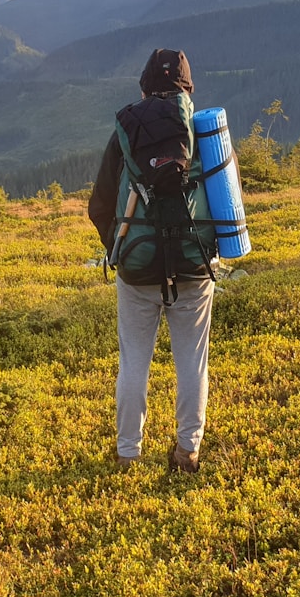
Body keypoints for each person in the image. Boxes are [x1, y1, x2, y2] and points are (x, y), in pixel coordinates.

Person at [88, 48, 215, 473]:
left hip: (137, 267)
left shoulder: (127, 130)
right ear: (188, 87)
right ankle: (187, 452)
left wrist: (118, 245)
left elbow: (100, 205)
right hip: (194, 266)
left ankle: (128, 454)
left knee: (134, 361)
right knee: (192, 363)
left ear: (144, 86)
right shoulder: (203, 131)